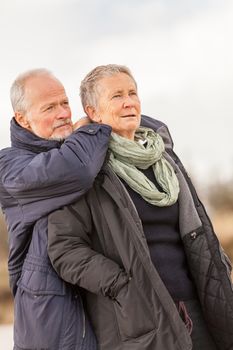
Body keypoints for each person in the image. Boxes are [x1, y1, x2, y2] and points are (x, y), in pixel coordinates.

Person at [48, 64, 233, 350]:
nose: (129, 102)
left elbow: (196, 229)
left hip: (199, 307)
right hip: (140, 318)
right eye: (117, 96)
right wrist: (122, 285)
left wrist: (220, 264)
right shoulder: (85, 172)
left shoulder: (165, 160)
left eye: (133, 93)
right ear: (93, 113)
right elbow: (64, 250)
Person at [0, 68, 112, 349]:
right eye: (50, 107)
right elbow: (77, 170)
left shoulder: (82, 147)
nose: (63, 113)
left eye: (64, 103)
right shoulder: (9, 166)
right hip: (51, 321)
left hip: (99, 303)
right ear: (22, 118)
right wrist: (91, 126)